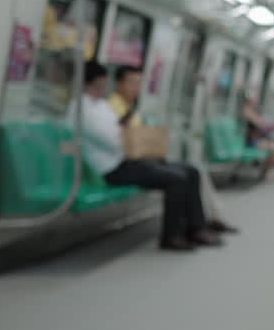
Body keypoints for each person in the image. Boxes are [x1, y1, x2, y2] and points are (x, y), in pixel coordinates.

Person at [76, 61, 222, 251]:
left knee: (191, 171)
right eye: (100, 85)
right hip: (113, 167)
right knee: (177, 179)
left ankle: (196, 227)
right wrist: (128, 133)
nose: (103, 89)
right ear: (89, 84)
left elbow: (123, 134)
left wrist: (128, 133)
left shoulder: (100, 106)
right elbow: (116, 141)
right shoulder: (84, 110)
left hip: (129, 160)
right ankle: (172, 235)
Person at [109, 66, 238, 234]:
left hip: (145, 157)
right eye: (132, 83)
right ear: (119, 84)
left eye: (139, 83)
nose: (136, 88)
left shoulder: (132, 108)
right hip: (129, 162)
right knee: (179, 177)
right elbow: (122, 139)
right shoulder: (113, 107)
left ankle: (205, 221)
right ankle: (187, 229)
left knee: (194, 171)